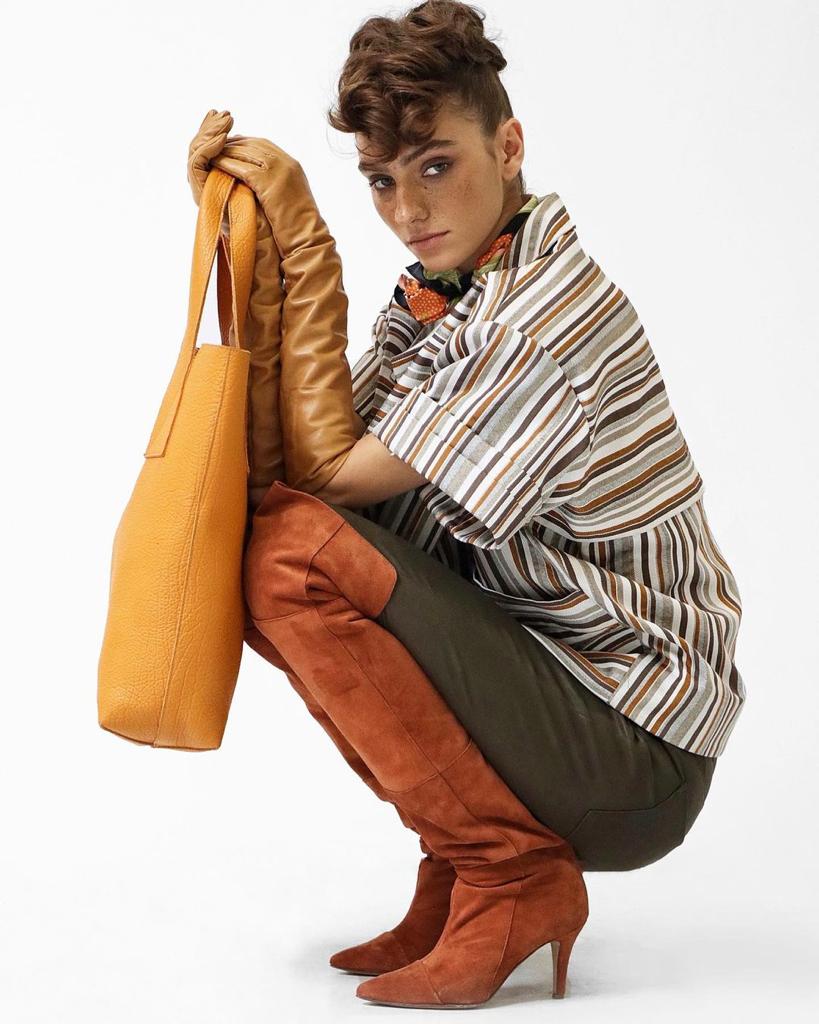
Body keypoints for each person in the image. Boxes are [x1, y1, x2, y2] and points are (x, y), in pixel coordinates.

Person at [239, 0, 746, 1008]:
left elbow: (328, 477)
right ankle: (464, 861)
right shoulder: (454, 292)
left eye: (436, 165)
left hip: (636, 749)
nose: (407, 208)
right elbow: (316, 476)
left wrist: (296, 251)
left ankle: (511, 874)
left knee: (294, 555)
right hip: (564, 693)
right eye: (381, 180)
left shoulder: (535, 319)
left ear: (508, 147)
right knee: (276, 547)